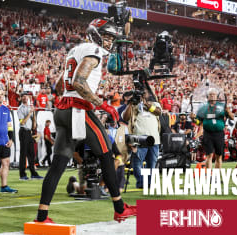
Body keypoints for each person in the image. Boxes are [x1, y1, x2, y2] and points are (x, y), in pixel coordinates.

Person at [35, 18, 136, 224]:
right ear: (95, 34)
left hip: (63, 108)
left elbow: (60, 86)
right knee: (107, 153)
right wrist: (102, 104)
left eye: (110, 37)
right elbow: (78, 82)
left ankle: (42, 216)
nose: (109, 41)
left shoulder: (76, 50)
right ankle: (119, 208)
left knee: (58, 164)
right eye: (106, 36)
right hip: (78, 110)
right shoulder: (94, 51)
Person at [122, 87, 162, 189]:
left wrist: (146, 104)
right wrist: (131, 103)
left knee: (151, 164)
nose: (142, 94)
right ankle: (141, 182)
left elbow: (158, 112)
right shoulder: (133, 105)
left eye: (144, 93)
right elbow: (125, 118)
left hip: (154, 139)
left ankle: (148, 184)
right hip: (139, 138)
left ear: (148, 94)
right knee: (137, 163)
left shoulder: (155, 104)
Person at [193, 88, 234, 169]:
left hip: (219, 133)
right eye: (210, 94)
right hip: (208, 133)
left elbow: (232, 117)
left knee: (219, 156)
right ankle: (209, 176)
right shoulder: (203, 107)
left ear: (217, 96)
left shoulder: (222, 106)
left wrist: (228, 111)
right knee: (209, 155)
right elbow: (198, 122)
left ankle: (217, 176)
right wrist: (193, 119)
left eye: (214, 94)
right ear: (207, 96)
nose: (212, 96)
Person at [17, 93, 43, 180]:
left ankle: (33, 173)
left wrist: (34, 114)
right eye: (23, 96)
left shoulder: (29, 108)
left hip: (29, 132)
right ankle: (22, 175)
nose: (25, 98)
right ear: (21, 98)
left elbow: (34, 125)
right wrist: (30, 113)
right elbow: (22, 122)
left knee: (31, 154)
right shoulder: (20, 109)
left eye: (26, 96)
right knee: (23, 154)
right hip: (23, 131)